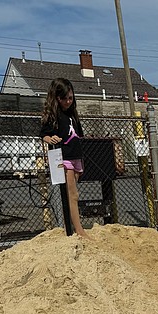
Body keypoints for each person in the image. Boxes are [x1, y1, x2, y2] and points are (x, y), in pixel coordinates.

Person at [41, 78, 87, 238]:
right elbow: (44, 134)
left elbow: (79, 135)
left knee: (73, 195)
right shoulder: (53, 115)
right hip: (63, 157)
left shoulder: (72, 114)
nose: (68, 101)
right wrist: (49, 138)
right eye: (64, 98)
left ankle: (73, 227)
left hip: (76, 156)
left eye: (70, 98)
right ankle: (79, 230)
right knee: (72, 194)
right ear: (57, 98)